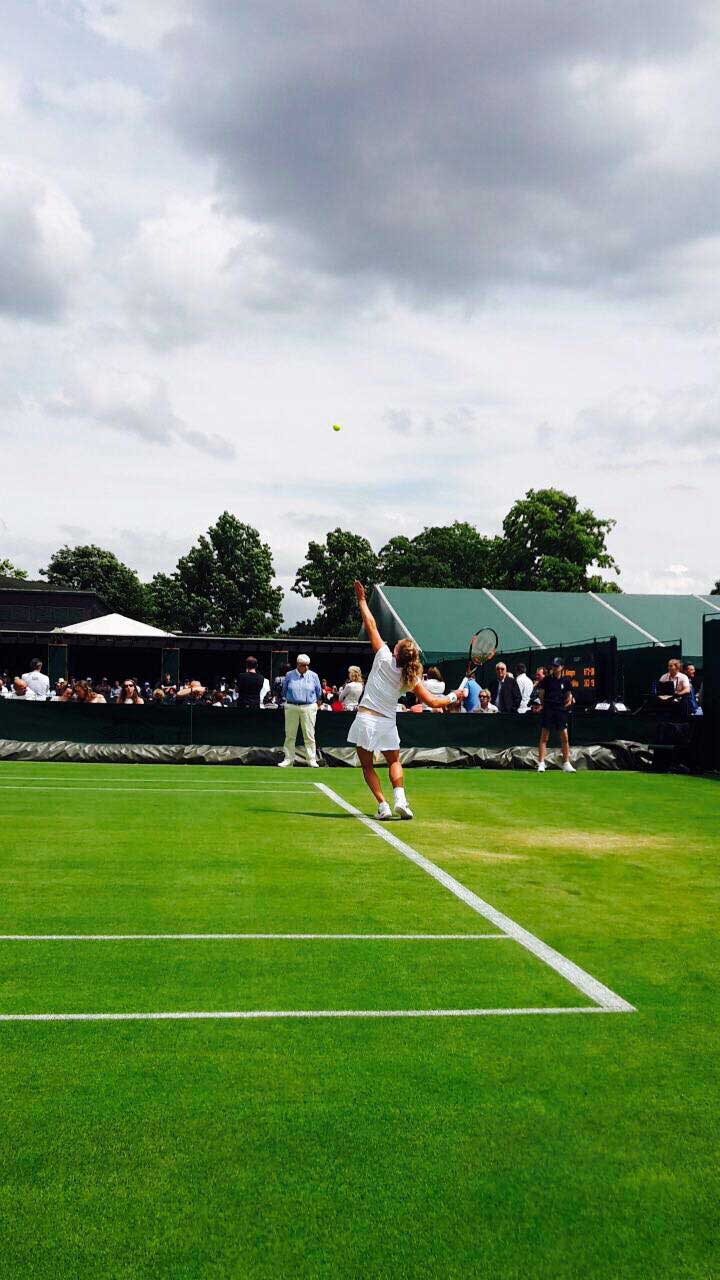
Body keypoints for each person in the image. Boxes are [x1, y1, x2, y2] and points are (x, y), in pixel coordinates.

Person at [350, 581, 466, 819]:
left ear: (396, 652)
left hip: (365, 718)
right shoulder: (410, 677)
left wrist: (361, 599)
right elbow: (434, 703)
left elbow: (370, 624)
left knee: (367, 766)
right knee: (394, 761)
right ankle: (400, 800)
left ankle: (383, 805)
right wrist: (455, 696)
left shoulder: (382, 656)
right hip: (386, 722)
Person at [279, 654, 322, 767]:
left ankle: (311, 759)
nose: (306, 667)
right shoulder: (289, 675)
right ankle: (288, 759)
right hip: (292, 706)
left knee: (309, 734)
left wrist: (315, 705)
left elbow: (319, 692)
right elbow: (284, 691)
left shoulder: (314, 676)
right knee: (290, 734)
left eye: (307, 665)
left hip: (308, 706)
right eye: (303, 665)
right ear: (298, 665)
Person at [536, 657, 575, 772]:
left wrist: (564, 706)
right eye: (553, 666)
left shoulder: (566, 681)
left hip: (560, 711)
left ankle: (566, 763)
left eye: (556, 666)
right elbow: (541, 696)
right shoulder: (546, 680)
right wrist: (546, 706)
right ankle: (541, 763)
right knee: (544, 737)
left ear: (562, 667)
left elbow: (569, 696)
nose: (554, 668)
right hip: (548, 710)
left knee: (565, 737)